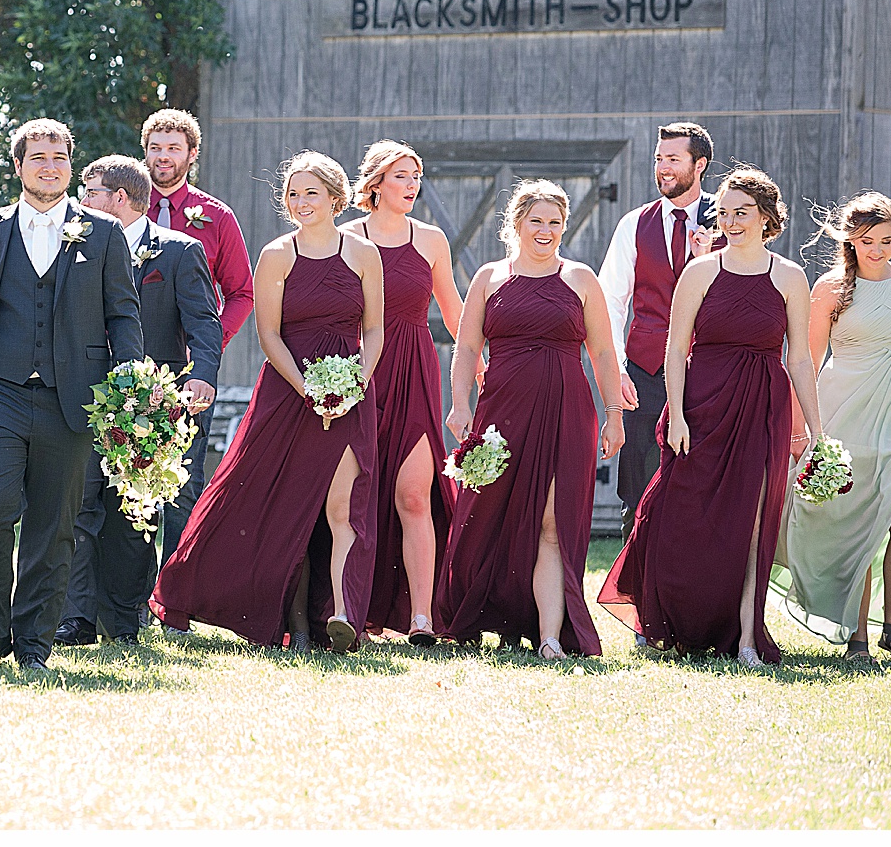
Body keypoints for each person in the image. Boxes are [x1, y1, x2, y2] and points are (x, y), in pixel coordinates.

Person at [0, 119, 144, 671]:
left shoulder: (104, 233)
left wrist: (133, 381)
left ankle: (35, 643)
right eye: (38, 158)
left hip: (73, 400)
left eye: (59, 158)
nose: (50, 167)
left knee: (54, 524)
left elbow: (122, 313)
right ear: (17, 167)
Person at [152, 151, 384, 654]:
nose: (301, 202)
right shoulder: (277, 254)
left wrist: (352, 386)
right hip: (288, 393)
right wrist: (311, 391)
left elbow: (374, 331)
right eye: (293, 194)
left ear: (335, 197)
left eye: (311, 193)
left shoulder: (365, 255)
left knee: (345, 508)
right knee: (287, 507)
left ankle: (342, 613)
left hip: (351, 396)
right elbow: (269, 335)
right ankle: (296, 623)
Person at [598, 167, 825, 667]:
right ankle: (663, 615)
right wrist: (675, 414)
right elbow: (675, 350)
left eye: (742, 212)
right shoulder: (700, 272)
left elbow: (801, 359)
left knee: (753, 520)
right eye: (724, 212)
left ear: (767, 217)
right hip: (700, 406)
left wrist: (813, 426)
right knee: (679, 512)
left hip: (762, 406)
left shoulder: (789, 277)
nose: (731, 221)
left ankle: (746, 634)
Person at [436, 180, 626, 659]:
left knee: (552, 523)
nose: (545, 230)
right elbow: (467, 350)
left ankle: (548, 637)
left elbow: (603, 352)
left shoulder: (580, 278)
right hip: (501, 414)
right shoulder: (490, 277)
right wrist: (460, 406)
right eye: (536, 221)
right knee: (486, 516)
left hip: (567, 412)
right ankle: (482, 611)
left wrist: (614, 415)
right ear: (516, 224)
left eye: (555, 222)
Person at [57, 156, 220, 647]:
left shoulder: (178, 251)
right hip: (80, 397)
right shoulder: (74, 248)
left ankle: (125, 618)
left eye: (90, 191)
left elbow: (204, 323)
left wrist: (203, 378)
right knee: (80, 507)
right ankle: (76, 617)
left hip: (147, 406)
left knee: (135, 511)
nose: (81, 201)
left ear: (119, 199)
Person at [776, 193, 891, 660]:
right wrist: (800, 431)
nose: (877, 250)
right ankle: (858, 635)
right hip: (842, 412)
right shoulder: (830, 287)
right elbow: (805, 359)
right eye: (867, 241)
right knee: (856, 522)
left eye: (886, 241)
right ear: (850, 239)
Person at [343, 141, 468, 647]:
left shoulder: (432, 239)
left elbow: (456, 312)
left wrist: (483, 366)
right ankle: (351, 613)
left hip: (415, 371)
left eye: (417, 176)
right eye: (402, 176)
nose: (413, 185)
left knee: (414, 494)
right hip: (357, 375)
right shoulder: (346, 237)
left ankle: (422, 618)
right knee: (358, 497)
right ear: (375, 184)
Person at [597, 122, 722, 544]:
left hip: (709, 373)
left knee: (705, 483)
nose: (663, 168)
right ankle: (635, 593)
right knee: (637, 488)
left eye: (673, 159)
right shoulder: (635, 223)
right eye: (659, 159)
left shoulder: (729, 223)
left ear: (699, 164)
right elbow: (608, 302)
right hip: (645, 375)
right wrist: (617, 370)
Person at [139, 109, 254, 564]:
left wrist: (209, 346)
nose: (163, 157)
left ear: (192, 153)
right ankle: (129, 598)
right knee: (128, 479)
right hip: (131, 364)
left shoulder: (216, 217)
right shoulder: (122, 211)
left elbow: (242, 292)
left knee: (182, 483)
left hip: (191, 373)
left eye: (173, 147)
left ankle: (173, 599)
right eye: (155, 147)